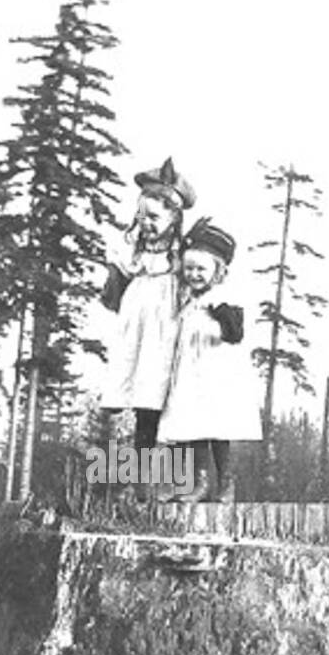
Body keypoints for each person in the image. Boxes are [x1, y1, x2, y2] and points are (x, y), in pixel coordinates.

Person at [158, 217, 261, 502]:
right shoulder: (187, 299)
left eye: (201, 269)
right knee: (188, 425)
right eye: (189, 268)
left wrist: (214, 324)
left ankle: (225, 481)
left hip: (215, 372)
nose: (194, 274)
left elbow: (234, 333)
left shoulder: (221, 298)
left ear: (218, 271)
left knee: (215, 427)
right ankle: (194, 480)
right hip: (190, 370)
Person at [100, 158, 195, 455]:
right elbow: (116, 285)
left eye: (154, 217)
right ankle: (133, 459)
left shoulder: (180, 255)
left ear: (174, 218)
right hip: (136, 315)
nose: (146, 223)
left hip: (164, 320)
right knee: (131, 368)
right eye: (142, 216)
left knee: (156, 385)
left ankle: (159, 459)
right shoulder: (134, 248)